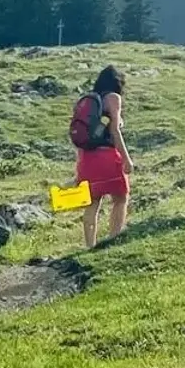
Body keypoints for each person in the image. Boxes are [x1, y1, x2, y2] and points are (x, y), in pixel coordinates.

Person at [70, 65, 134, 248]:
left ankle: (90, 245)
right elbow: (114, 131)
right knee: (121, 197)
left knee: (92, 202)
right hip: (106, 156)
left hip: (86, 157)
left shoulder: (89, 100)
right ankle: (113, 239)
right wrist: (126, 158)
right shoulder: (113, 98)